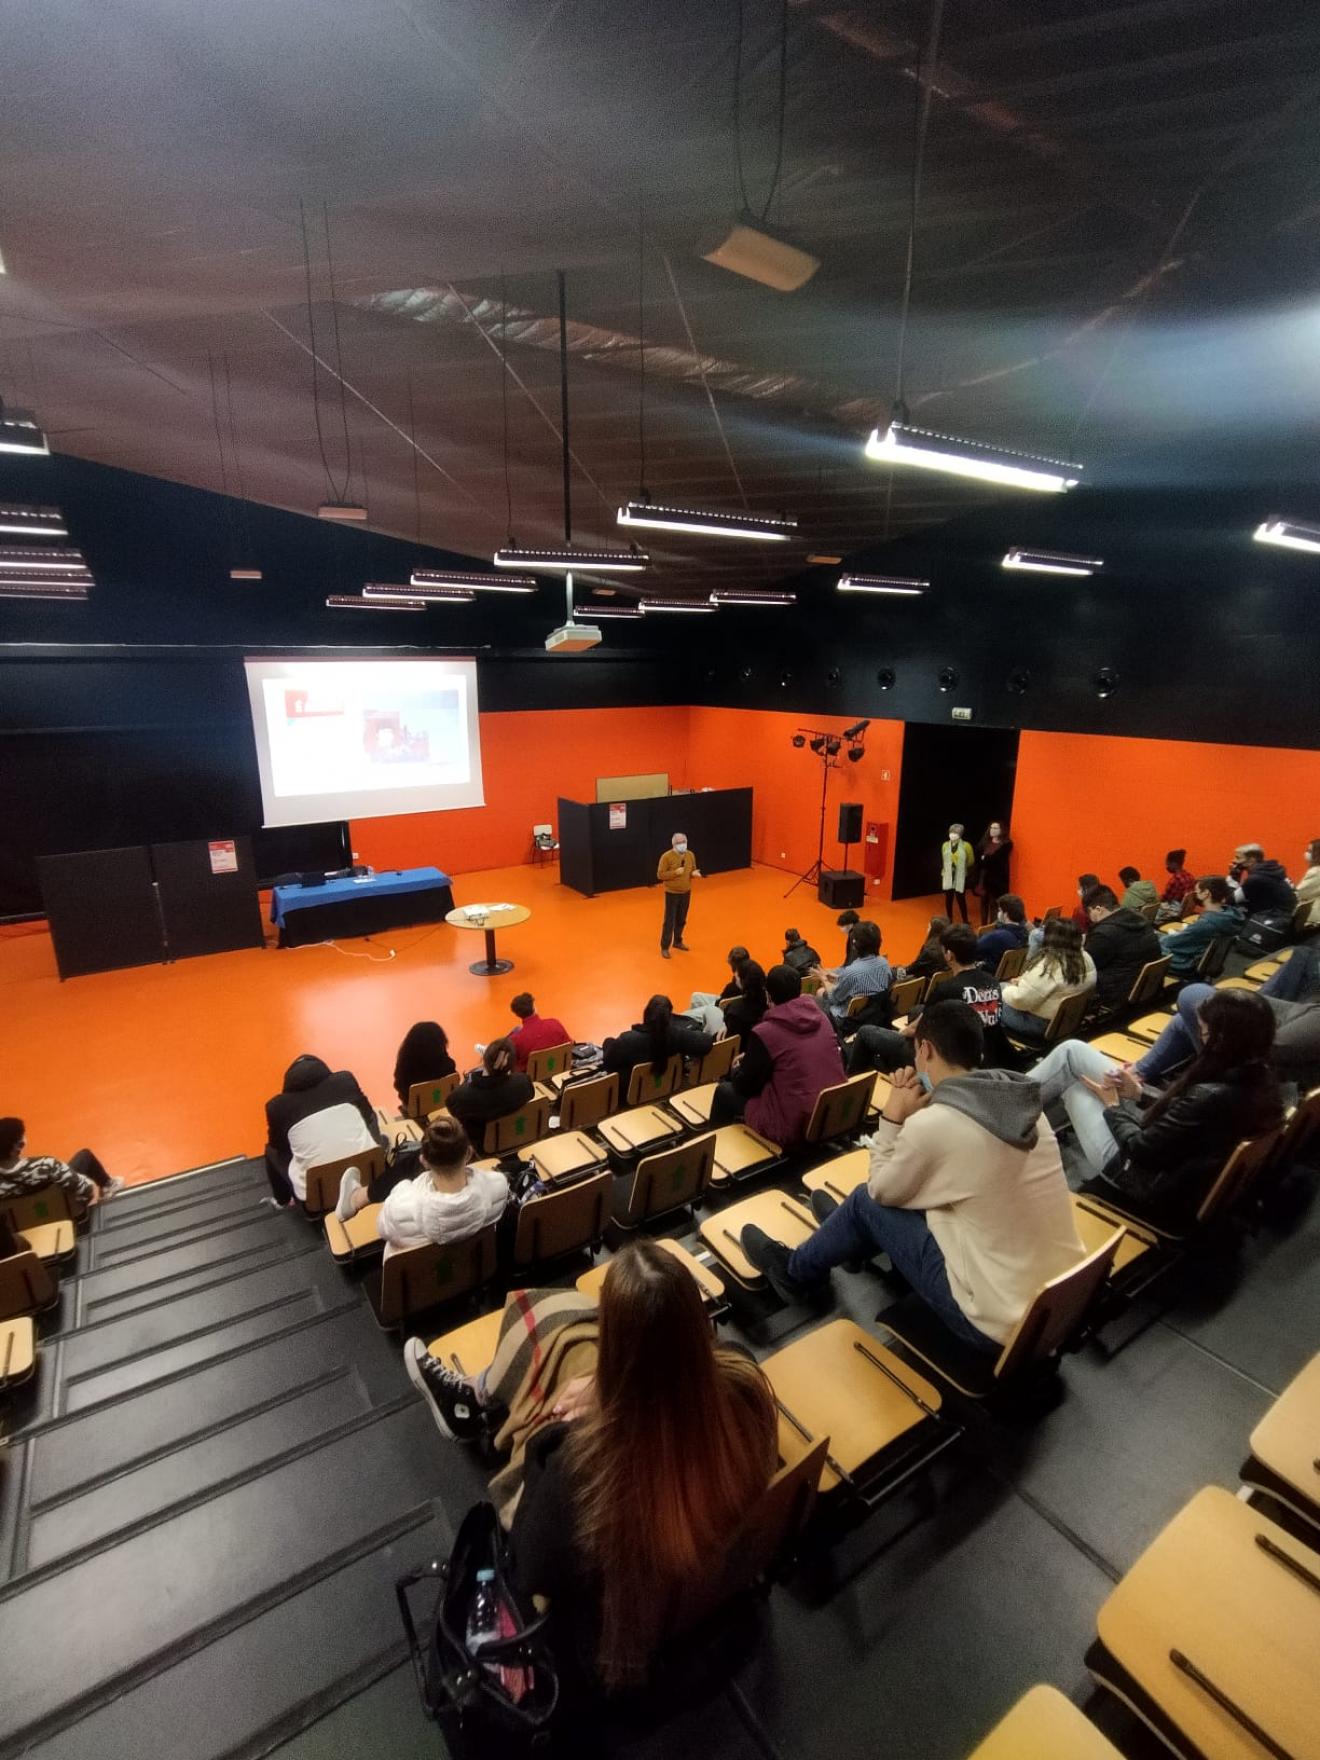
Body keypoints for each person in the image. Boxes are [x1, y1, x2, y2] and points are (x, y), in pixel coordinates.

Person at [402, 1240, 777, 1692]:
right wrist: (605, 1389)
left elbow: (532, 1566)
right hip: (714, 1598)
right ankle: (479, 1392)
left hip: (609, 1647)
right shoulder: (745, 1384)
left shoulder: (580, 1466)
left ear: (613, 1347)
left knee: (555, 1344)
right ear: (697, 1326)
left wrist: (548, 1441)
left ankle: (476, 1399)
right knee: (562, 1331)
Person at [740, 1001, 1084, 1349]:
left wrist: (892, 1118)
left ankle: (794, 1272)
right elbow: (962, 1150)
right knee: (917, 1188)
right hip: (1062, 1300)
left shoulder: (935, 1127)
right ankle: (854, 1237)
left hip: (994, 1323)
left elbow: (880, 1190)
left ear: (926, 1048)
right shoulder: (1025, 1109)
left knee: (864, 1201)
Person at [1030, 989, 1283, 1226]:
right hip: (1177, 1167)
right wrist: (1140, 1093)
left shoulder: (1209, 1096)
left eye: (1203, 1032)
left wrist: (1113, 1106)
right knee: (1072, 1050)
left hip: (1139, 1178)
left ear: (1221, 1040)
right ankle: (1002, 1104)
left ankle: (998, 1110)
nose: (1199, 1036)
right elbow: (1189, 1117)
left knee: (1074, 1088)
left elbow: (1140, 1149)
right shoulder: (1261, 1078)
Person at [334, 1114, 508, 1258]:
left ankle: (357, 1198)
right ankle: (358, 1197)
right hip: (473, 1270)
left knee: (406, 1167)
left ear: (424, 1161)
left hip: (421, 1285)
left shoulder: (398, 1208)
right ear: (469, 1153)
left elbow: (383, 1229)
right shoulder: (498, 1186)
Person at [847, 924, 1014, 1073]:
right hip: (984, 1053)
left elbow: (916, 1029)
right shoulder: (992, 981)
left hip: (946, 1060)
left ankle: (853, 1078)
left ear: (949, 955)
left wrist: (900, 1034)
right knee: (917, 1011)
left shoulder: (947, 989)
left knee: (866, 1032)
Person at [709, 964, 845, 1144]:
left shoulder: (766, 1032)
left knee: (724, 1091)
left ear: (768, 995)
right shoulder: (822, 1016)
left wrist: (737, 1069)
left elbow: (746, 1086)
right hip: (831, 1109)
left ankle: (716, 1149)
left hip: (793, 1125)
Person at [263, 1054, 382, 1208]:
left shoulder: (277, 1107)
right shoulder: (345, 1081)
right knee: (373, 1117)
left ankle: (283, 1201)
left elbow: (280, 1146)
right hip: (368, 1175)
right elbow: (367, 1116)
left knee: (271, 1151)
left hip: (316, 1194)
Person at [1000, 918, 1096, 1045]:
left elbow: (1020, 1000)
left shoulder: (1051, 966)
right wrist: (1023, 982)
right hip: (1067, 1021)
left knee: (990, 995)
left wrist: (1006, 989)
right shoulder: (1086, 958)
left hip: (1039, 1025)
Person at [0, 1118, 123, 1206]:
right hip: (69, 1214)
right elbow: (87, 1191)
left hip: (28, 1224)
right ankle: (108, 1185)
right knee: (85, 1156)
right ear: (17, 1147)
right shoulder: (46, 1165)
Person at [446, 1038, 536, 1152]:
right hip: (518, 1136)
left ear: (484, 1060)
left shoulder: (461, 1096)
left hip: (481, 1145)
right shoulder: (524, 1082)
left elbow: (451, 1107)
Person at [1083, 883, 1161, 1013]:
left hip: (1118, 994)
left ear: (1098, 909)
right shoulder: (1139, 918)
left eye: (1089, 912)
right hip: (1146, 989)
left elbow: (1086, 966)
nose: (1090, 919)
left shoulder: (1104, 934)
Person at [602, 995, 711, 1079]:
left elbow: (608, 1062)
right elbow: (706, 1043)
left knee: (608, 1042)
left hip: (632, 1092)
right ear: (669, 1018)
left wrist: (608, 1043)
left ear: (646, 1013)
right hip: (666, 1085)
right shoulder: (676, 1035)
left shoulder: (627, 1040)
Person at [812, 919, 891, 1032]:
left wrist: (823, 979)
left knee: (815, 996)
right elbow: (860, 982)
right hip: (874, 1015)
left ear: (855, 945)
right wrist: (837, 978)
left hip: (848, 1020)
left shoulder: (851, 972)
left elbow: (834, 998)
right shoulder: (884, 963)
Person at [1165, 876, 1244, 978]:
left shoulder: (1207, 923)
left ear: (1206, 893)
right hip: (1199, 959)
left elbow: (1170, 943)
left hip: (1185, 964)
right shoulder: (1229, 916)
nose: (1195, 894)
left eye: (1197, 891)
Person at [392, 1020, 456, 1109]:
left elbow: (399, 1087)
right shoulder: (447, 1064)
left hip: (416, 1110)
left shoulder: (405, 1067)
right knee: (436, 1093)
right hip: (442, 1106)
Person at [656, 832, 700, 957]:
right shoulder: (666, 857)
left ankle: (678, 941)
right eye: (680, 843)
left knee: (681, 919)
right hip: (672, 894)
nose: (683, 845)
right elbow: (660, 875)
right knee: (669, 921)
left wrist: (693, 874)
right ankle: (665, 947)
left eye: (684, 842)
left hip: (686, 892)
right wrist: (675, 873)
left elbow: (692, 870)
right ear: (674, 844)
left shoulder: (690, 855)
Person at [507, 993, 572, 1073]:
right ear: (534, 1007)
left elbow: (511, 1064)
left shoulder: (515, 1039)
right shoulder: (555, 1023)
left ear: (517, 1014)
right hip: (560, 1072)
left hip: (531, 1081)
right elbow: (569, 1045)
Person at [1231, 843, 1297, 916]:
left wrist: (1233, 876)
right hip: (1284, 916)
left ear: (1251, 860)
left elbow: (1230, 900)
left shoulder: (1256, 879)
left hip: (1273, 919)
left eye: (1238, 858)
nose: (1234, 861)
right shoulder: (1272, 871)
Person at [717, 958, 769, 1050]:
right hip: (752, 1048)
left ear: (743, 981)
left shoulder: (735, 1010)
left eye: (737, 975)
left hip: (735, 1051)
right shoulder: (770, 1001)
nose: (735, 976)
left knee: (707, 1010)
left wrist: (725, 1025)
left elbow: (728, 1042)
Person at [973, 821, 1013, 926]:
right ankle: (983, 926)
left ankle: (991, 927)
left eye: (995, 828)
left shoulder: (1006, 844)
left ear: (1002, 830)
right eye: (991, 827)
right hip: (983, 878)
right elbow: (978, 858)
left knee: (993, 904)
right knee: (983, 903)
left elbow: (996, 861)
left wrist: (985, 858)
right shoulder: (984, 842)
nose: (992, 830)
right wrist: (985, 859)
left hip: (996, 880)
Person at [976, 895, 1028, 972]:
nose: (998, 913)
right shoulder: (1025, 933)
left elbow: (973, 949)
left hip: (989, 974)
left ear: (1006, 914)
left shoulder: (996, 936)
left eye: (1000, 910)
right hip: (1010, 973)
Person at [901, 914, 952, 983]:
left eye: (929, 927)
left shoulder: (930, 950)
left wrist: (898, 971)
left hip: (925, 982)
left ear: (934, 930)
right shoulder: (950, 947)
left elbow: (913, 969)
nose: (927, 928)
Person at [941, 823, 975, 923]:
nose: (952, 834)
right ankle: (949, 919)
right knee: (948, 899)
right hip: (947, 875)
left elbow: (971, 861)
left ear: (960, 834)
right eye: (951, 832)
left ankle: (965, 920)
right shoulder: (945, 845)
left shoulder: (966, 845)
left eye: (955, 833)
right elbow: (943, 859)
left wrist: (960, 866)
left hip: (960, 876)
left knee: (961, 899)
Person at [1156, 848, 1198, 922]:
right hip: (1185, 912)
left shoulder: (1175, 879)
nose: (1167, 865)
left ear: (1174, 863)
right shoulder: (1190, 876)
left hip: (1175, 911)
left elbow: (1164, 898)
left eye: (1168, 863)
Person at [1296, 837, 1320, 930]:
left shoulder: (1316, 872)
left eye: (1310, 851)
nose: (1307, 853)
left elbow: (1301, 893)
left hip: (1313, 917)